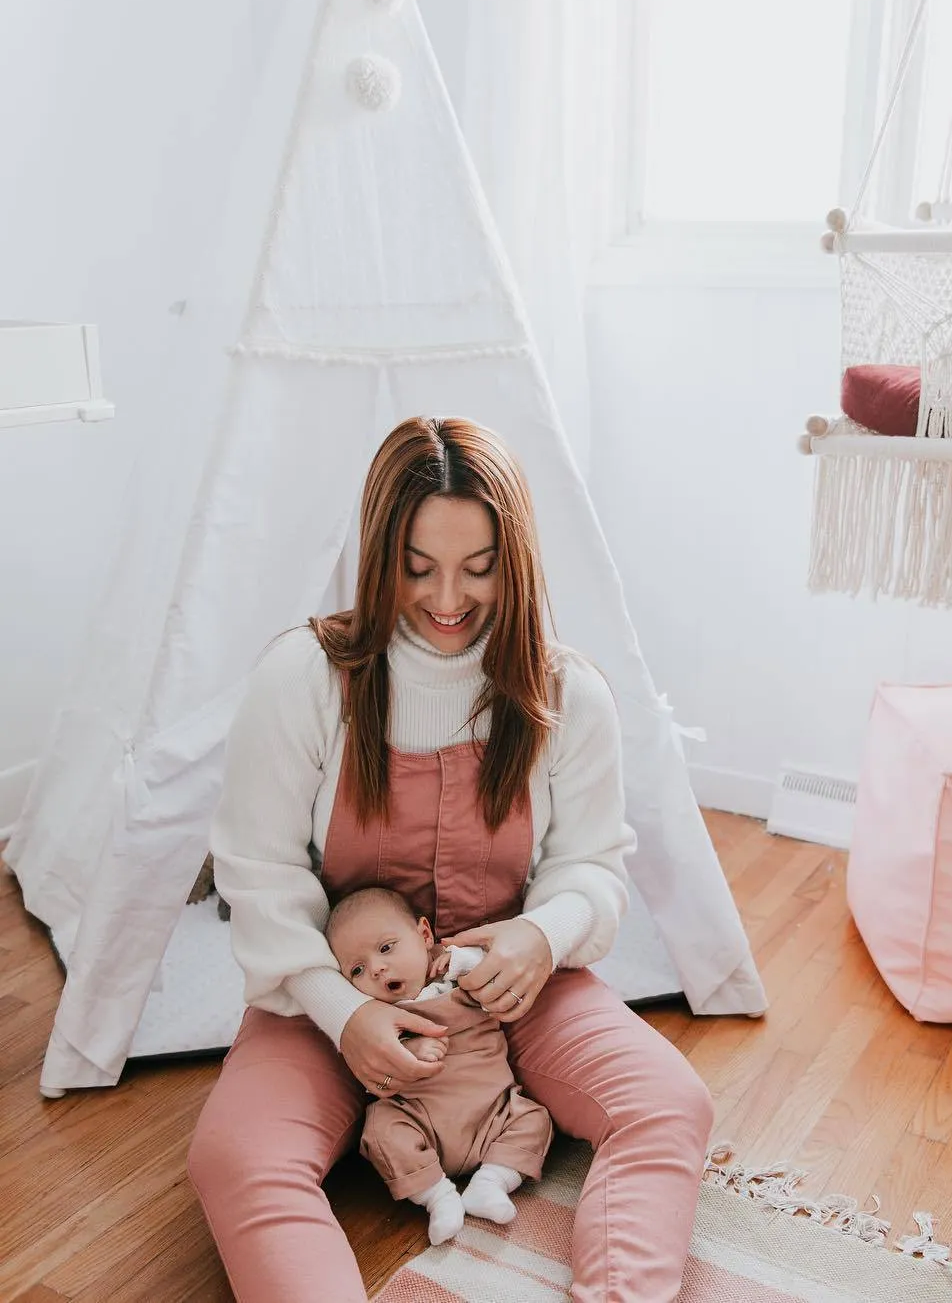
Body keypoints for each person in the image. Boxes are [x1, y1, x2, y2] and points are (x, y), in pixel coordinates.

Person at [187, 416, 715, 1303]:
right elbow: (260, 874)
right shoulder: (303, 679)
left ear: (518, 559)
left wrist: (544, 937)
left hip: (509, 993)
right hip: (333, 997)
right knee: (234, 1158)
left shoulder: (566, 694)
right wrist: (338, 1012)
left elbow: (592, 866)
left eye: (478, 568)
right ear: (378, 555)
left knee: (672, 1106)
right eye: (417, 568)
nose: (446, 601)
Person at [326, 884, 553, 1245]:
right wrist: (411, 1045)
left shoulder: (455, 972)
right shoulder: (374, 1014)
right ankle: (438, 1197)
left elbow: (496, 968)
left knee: (534, 1119)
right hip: (420, 1121)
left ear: (424, 934)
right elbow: (371, 1067)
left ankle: (491, 1182)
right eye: (357, 970)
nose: (377, 969)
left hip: (494, 1113)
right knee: (381, 1129)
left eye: (386, 948)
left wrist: (461, 960)